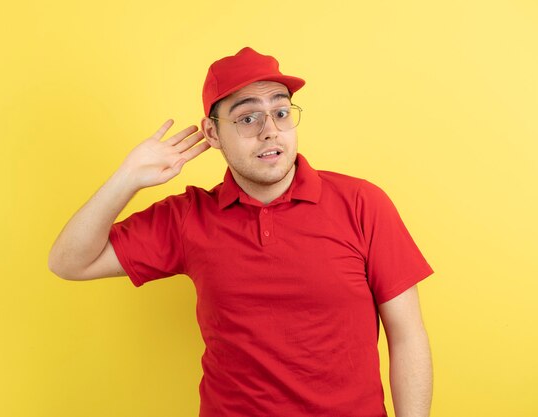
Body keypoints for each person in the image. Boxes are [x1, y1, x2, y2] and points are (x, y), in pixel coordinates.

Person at [49, 47, 434, 417]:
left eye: (281, 112)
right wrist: (126, 180)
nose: (270, 131)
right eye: (248, 118)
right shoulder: (187, 217)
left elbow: (407, 336)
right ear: (212, 134)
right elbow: (69, 262)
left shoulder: (362, 203)